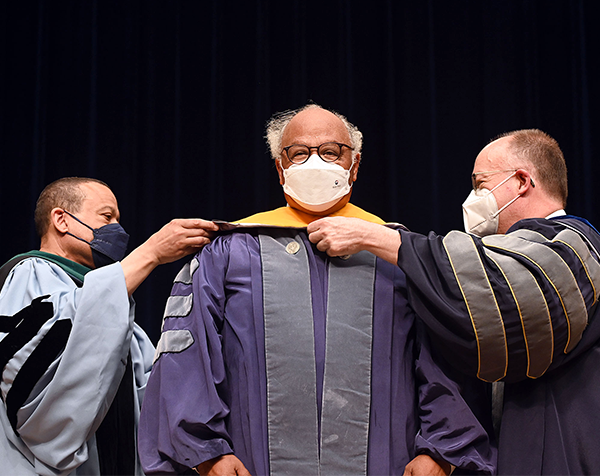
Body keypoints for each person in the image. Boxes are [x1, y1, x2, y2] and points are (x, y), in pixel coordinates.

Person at [138, 104, 496, 476]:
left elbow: (444, 355)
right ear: (281, 167)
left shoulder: (397, 252)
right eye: (300, 153)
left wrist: (441, 449)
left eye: (330, 152)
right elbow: (187, 352)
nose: (315, 162)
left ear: (354, 165)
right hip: (250, 461)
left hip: (388, 461)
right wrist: (206, 451)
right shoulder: (227, 252)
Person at [307, 129, 600, 475]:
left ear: (521, 180)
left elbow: (503, 305)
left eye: (480, 183)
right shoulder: (515, 253)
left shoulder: (576, 245)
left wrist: (377, 237)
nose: (472, 197)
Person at [0, 177, 218, 476]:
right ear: (61, 220)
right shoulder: (29, 274)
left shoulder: (119, 317)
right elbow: (37, 383)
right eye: (107, 217)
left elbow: (153, 402)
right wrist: (150, 253)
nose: (118, 229)